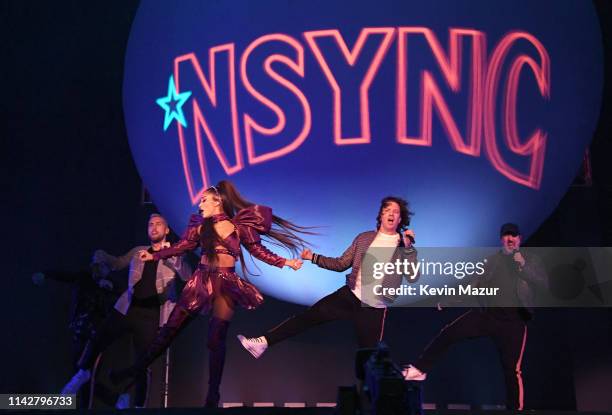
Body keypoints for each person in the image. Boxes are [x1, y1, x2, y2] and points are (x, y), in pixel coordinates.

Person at [109, 180, 309, 407]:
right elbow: (182, 246)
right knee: (169, 332)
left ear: (218, 202)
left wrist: (286, 262)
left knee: (216, 339)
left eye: (204, 200)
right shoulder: (199, 225)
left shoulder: (239, 226)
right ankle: (131, 372)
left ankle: (213, 396)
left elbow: (258, 251)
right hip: (201, 281)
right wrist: (154, 256)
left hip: (226, 283)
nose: (200, 204)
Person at [238, 196, 417, 357]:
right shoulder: (364, 238)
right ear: (381, 216)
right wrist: (313, 257)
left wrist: (408, 248)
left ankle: (371, 393)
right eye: (387, 210)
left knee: (369, 359)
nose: (391, 214)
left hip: (374, 308)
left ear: (400, 219)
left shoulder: (402, 245)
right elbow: (341, 264)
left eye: (395, 212)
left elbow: (412, 276)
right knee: (308, 317)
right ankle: (264, 342)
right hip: (350, 295)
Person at [403, 223, 547, 410]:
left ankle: (515, 410)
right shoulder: (492, 261)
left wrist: (524, 266)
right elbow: (473, 285)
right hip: (487, 316)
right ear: (501, 239)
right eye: (506, 236)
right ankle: (420, 369)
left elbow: (542, 284)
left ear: (520, 238)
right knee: (450, 332)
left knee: (511, 370)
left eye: (514, 236)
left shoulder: (530, 260)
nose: (510, 239)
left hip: (514, 322)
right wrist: (449, 301)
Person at [61, 213, 192, 409]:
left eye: (158, 224)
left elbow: (187, 275)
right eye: (150, 224)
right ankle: (83, 373)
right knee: (98, 339)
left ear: (166, 230)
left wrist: (174, 257)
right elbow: (117, 263)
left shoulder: (175, 253)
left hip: (151, 316)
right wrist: (103, 256)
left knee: (142, 364)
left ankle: (136, 403)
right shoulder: (138, 251)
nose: (154, 227)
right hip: (127, 308)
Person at [33, 261, 121, 408]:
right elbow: (64, 275)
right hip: (79, 330)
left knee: (84, 373)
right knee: (81, 372)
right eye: (97, 265)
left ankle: (90, 403)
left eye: (105, 267)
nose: (100, 270)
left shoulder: (109, 286)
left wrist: (110, 289)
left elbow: (121, 297)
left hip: (95, 334)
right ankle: (106, 400)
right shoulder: (83, 278)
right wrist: (45, 274)